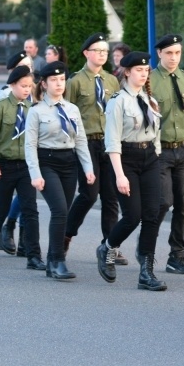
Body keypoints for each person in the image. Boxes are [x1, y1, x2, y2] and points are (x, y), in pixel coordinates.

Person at [97, 51, 167, 291]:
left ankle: (146, 272)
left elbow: (156, 133)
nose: (143, 74)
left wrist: (155, 155)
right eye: (138, 70)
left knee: (152, 214)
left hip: (149, 158)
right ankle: (107, 247)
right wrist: (119, 175)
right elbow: (113, 142)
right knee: (132, 216)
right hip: (125, 159)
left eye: (146, 70)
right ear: (127, 72)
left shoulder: (149, 99)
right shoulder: (118, 102)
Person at [25, 61, 95, 279]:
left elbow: (81, 140)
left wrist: (88, 168)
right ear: (44, 84)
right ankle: (58, 261)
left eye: (62, 79)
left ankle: (50, 261)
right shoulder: (36, 111)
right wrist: (35, 174)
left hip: (69, 163)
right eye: (53, 80)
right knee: (60, 210)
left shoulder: (72, 109)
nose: (59, 83)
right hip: (47, 162)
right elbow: (30, 144)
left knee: (63, 211)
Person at [64, 33, 125, 262]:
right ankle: (67, 234)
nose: (101, 54)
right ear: (86, 53)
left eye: (104, 51)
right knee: (89, 194)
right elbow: (67, 113)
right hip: (86, 142)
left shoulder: (111, 80)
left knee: (111, 197)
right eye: (97, 50)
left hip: (108, 143)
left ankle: (109, 246)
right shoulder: (76, 81)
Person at [150, 34, 184, 275]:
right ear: (159, 54)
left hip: (182, 151)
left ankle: (177, 256)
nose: (174, 58)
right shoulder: (148, 80)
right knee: (163, 202)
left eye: (177, 53)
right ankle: (146, 250)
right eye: (169, 53)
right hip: (158, 150)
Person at [0, 65, 45, 270]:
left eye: (30, 86)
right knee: (0, 209)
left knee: (31, 211)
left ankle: (33, 256)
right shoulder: (1, 107)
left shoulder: (32, 109)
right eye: (23, 86)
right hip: (4, 166)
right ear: (12, 85)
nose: (27, 89)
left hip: (26, 166)